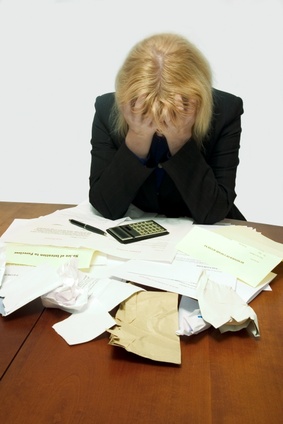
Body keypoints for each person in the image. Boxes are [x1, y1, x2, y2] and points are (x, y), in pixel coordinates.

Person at [89, 33, 246, 224]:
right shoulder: (108, 109)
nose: (159, 128)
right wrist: (136, 138)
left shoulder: (225, 112)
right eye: (148, 111)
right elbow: (105, 206)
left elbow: (214, 212)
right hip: (138, 232)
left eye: (171, 113)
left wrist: (180, 141)